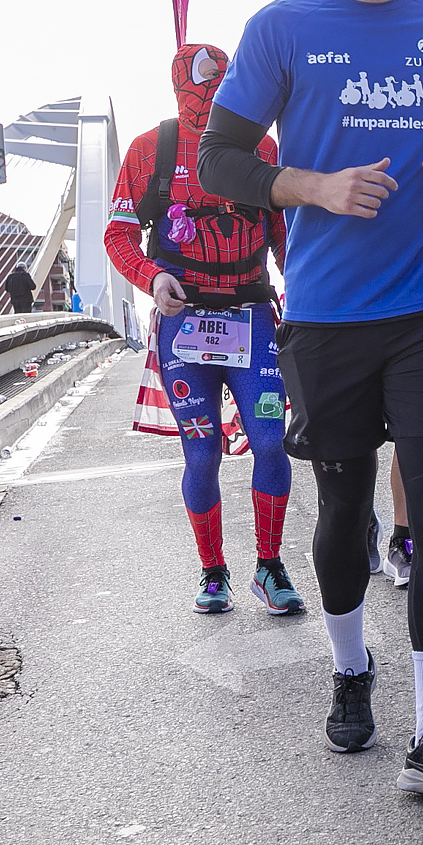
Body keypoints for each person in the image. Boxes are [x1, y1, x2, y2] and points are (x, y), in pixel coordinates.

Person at [198, 0, 423, 798]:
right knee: (338, 509)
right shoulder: (284, 27)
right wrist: (315, 185)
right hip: (327, 318)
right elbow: (221, 161)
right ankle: (349, 667)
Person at [107, 42, 301, 616]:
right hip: (182, 324)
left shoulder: (261, 147)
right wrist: (152, 278)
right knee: (203, 451)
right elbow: (117, 235)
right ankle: (212, 572)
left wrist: (311, 296)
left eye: (221, 82)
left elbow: (286, 236)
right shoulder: (150, 150)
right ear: (178, 85)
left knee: (271, 440)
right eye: (202, 83)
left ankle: (269, 567)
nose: (211, 94)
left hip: (252, 319)